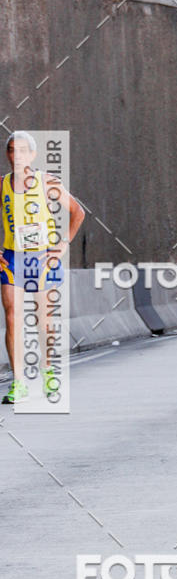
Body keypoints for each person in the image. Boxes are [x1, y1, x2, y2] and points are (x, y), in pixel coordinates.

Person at [0, 131, 85, 403]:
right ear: (8, 155)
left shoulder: (46, 182)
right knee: (12, 316)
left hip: (42, 259)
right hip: (13, 258)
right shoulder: (2, 184)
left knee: (43, 321)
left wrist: (63, 244)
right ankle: (19, 382)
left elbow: (77, 211)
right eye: (12, 150)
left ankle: (48, 370)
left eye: (23, 150)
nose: (17, 155)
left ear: (32, 155)